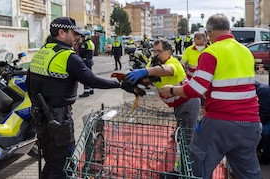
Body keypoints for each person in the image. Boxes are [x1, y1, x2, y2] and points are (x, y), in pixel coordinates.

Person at [26, 17, 140, 179]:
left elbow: (28, 83)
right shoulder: (68, 57)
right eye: (73, 33)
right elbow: (92, 80)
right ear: (61, 33)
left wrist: (38, 107)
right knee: (63, 166)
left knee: (51, 161)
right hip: (58, 119)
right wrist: (120, 85)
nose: (77, 37)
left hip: (41, 118)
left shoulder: (40, 53)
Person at [159, 14, 262, 179]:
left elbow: (195, 89)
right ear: (229, 30)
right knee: (248, 173)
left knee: (197, 168)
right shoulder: (246, 52)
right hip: (251, 124)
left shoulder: (211, 52)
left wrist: (172, 90)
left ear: (210, 33)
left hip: (220, 123)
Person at [125, 40, 200, 143]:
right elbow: (147, 80)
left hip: (189, 102)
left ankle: (187, 157)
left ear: (168, 52)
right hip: (177, 103)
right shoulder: (153, 64)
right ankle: (178, 137)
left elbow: (167, 70)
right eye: (154, 51)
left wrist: (145, 71)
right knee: (181, 128)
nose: (156, 54)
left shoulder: (173, 62)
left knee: (187, 138)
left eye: (159, 51)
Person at [255, 80, 270, 165]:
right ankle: (259, 146)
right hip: (263, 115)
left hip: (267, 116)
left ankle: (266, 157)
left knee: (265, 132)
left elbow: (265, 112)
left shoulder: (262, 90)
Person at [78, 30, 95, 97]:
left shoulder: (85, 44)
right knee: (90, 75)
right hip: (90, 60)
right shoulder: (90, 43)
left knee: (85, 76)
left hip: (86, 61)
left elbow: (81, 52)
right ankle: (91, 89)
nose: (81, 38)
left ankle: (86, 91)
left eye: (82, 37)